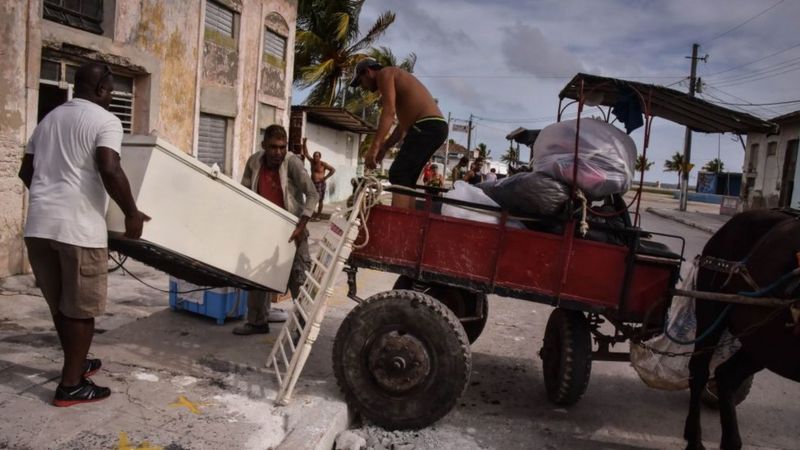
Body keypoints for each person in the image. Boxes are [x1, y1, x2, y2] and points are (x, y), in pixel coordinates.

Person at [17, 62, 150, 406]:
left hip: (39, 227)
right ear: (103, 89)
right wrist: (131, 213)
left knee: (62, 306)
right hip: (77, 229)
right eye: (111, 88)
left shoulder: (48, 119)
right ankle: (71, 385)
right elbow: (109, 166)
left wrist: (51, 199)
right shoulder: (105, 120)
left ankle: (78, 363)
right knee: (80, 309)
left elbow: (25, 171)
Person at [234, 125, 318, 335]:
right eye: (273, 147)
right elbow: (244, 192)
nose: (278, 152)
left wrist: (302, 225)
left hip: (293, 232)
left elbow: (313, 194)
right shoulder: (254, 161)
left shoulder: (292, 163)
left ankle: (302, 330)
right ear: (264, 146)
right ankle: (257, 322)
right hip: (262, 230)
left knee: (298, 280)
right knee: (257, 277)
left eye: (282, 147)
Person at [350, 58, 448, 209]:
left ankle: (398, 226)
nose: (362, 86)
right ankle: (409, 222)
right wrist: (384, 147)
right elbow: (401, 129)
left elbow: (388, 112)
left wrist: (374, 148)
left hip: (427, 125)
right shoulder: (401, 92)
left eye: (361, 81)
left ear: (368, 72)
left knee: (398, 174)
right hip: (433, 127)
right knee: (407, 179)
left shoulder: (385, 73)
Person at [301, 139, 335, 218]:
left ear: (320, 157)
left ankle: (318, 215)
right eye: (314, 156)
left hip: (320, 184)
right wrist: (304, 143)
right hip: (312, 183)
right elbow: (306, 153)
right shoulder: (312, 162)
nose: (315, 157)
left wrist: (325, 177)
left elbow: (333, 170)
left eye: (317, 156)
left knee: (320, 200)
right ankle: (309, 213)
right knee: (310, 198)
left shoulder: (323, 164)